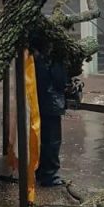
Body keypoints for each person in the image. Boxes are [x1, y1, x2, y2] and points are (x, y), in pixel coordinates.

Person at [34, 51, 68, 188]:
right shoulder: (54, 54)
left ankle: (40, 170)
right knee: (52, 140)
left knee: (42, 138)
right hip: (51, 101)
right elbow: (60, 79)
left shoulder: (35, 53)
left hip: (39, 100)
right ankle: (49, 175)